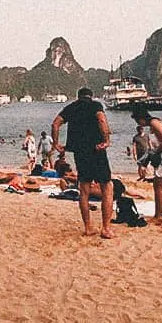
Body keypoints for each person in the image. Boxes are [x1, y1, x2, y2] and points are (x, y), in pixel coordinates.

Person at [52, 87, 115, 239]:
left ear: (78, 96)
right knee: (107, 186)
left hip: (80, 153)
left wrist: (56, 143)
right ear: (91, 97)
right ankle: (105, 229)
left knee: (84, 190)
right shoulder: (95, 105)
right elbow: (101, 119)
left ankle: (88, 227)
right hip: (97, 150)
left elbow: (55, 124)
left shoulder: (71, 107)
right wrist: (106, 140)